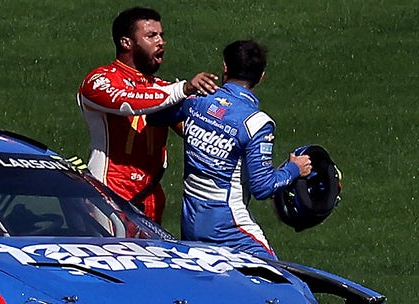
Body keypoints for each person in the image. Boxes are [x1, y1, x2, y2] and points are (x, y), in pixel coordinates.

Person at [148, 40, 311, 258]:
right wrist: (294, 169)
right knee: (279, 282)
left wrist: (181, 90)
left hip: (191, 221)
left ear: (225, 67)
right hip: (229, 226)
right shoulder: (256, 123)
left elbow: (154, 115)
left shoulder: (197, 100)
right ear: (261, 77)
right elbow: (262, 187)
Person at [77, 7, 219, 224]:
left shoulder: (164, 90)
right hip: (108, 194)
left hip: (151, 197)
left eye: (162, 35)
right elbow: (128, 102)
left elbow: (195, 131)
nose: (161, 42)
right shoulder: (99, 80)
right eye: (151, 36)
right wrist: (183, 89)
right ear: (126, 43)